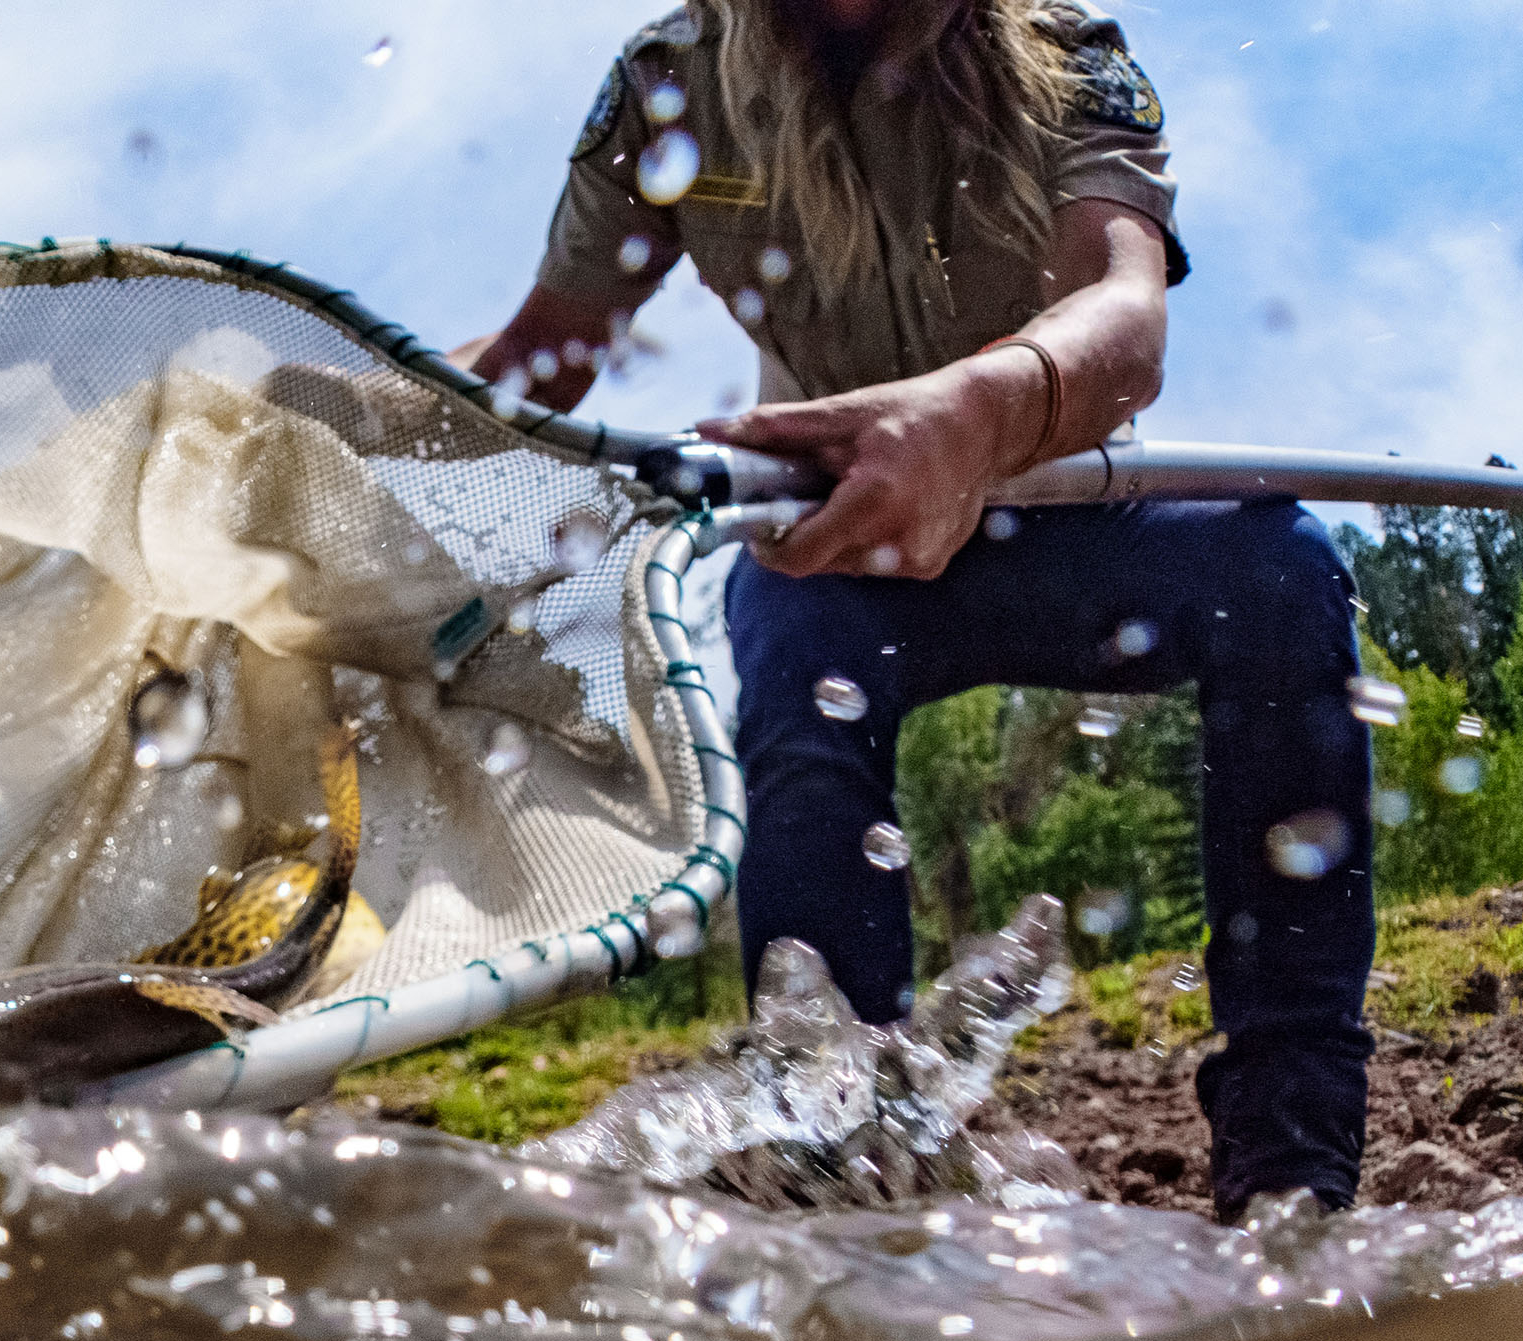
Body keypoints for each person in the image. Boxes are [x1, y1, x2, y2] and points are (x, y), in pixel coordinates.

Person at [465, 0, 1373, 1217]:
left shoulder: (1073, 55)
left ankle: (1292, 1169)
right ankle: (843, 1174)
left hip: (1066, 513)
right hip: (840, 548)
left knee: (1283, 575)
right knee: (790, 643)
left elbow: (1125, 312)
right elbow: (549, 354)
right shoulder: (666, 87)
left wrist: (986, 411)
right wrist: (369, 443)